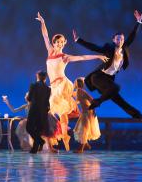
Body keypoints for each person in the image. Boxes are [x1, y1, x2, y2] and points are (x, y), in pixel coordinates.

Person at [35, 12, 108, 151]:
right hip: (53, 86)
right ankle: (56, 139)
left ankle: (66, 137)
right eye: (57, 42)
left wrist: (98, 56)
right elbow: (45, 35)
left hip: (62, 85)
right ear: (53, 43)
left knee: (61, 112)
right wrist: (42, 22)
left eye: (62, 42)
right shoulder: (50, 51)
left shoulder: (65, 57)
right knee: (50, 113)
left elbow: (82, 57)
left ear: (64, 43)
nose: (60, 44)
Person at [73, 10, 142, 119]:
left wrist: (138, 22)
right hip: (98, 77)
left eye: (121, 39)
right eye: (117, 39)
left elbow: (133, 35)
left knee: (118, 99)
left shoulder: (125, 48)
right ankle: (98, 101)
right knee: (116, 88)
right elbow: (94, 48)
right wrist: (79, 40)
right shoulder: (109, 47)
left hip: (108, 79)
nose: (120, 41)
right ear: (113, 40)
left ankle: (137, 115)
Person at [73, 77, 101, 153]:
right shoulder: (78, 91)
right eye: (77, 83)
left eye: (80, 83)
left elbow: (92, 101)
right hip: (85, 112)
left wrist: (94, 111)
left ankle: (81, 149)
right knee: (82, 128)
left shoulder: (82, 91)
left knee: (84, 129)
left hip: (88, 112)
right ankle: (86, 144)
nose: (78, 84)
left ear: (82, 84)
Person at [26, 71, 51, 154]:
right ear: (45, 78)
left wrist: (29, 99)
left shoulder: (33, 85)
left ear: (38, 76)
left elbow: (29, 98)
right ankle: (36, 147)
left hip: (34, 110)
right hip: (43, 112)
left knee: (29, 128)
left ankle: (38, 144)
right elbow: (47, 102)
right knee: (37, 130)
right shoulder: (48, 89)